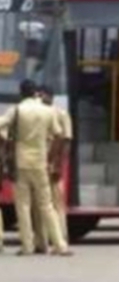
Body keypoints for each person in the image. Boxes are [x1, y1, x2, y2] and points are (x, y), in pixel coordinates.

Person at [0, 80, 70, 256]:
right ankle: (60, 245)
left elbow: (2, 125)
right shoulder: (48, 111)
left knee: (23, 206)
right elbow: (59, 135)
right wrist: (51, 157)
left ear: (21, 93)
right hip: (40, 162)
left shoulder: (17, 110)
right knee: (46, 205)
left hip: (21, 163)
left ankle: (27, 246)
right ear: (35, 93)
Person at [32, 85, 70, 251]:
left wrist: (58, 165)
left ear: (48, 96)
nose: (39, 99)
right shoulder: (39, 114)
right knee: (38, 204)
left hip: (52, 164)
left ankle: (61, 239)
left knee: (56, 204)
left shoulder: (61, 114)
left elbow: (66, 141)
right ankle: (41, 242)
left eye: (41, 96)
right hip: (39, 163)